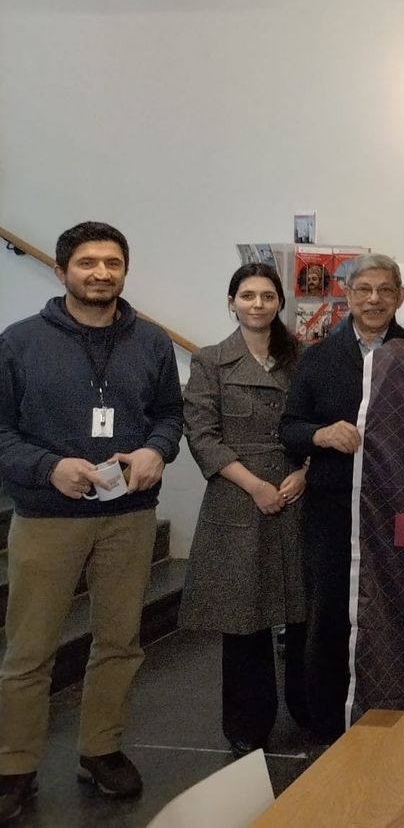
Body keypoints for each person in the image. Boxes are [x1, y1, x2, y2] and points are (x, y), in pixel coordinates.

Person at [0, 222, 183, 817]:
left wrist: (158, 449)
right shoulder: (19, 342)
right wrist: (48, 466)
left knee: (120, 641)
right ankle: (14, 765)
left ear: (125, 271)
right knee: (30, 651)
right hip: (48, 516)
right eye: (86, 262)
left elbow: (168, 416)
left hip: (128, 517)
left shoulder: (151, 343)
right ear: (61, 272)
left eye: (112, 262)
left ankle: (101, 749)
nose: (101, 272)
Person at [279, 254, 404, 740]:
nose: (374, 299)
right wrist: (321, 435)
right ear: (347, 295)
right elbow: (289, 429)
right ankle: (326, 721)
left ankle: (400, 709)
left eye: (385, 290)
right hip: (332, 509)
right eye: (364, 289)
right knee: (329, 612)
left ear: (400, 296)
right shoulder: (318, 358)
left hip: (403, 509)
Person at [180, 262, 309, 756]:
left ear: (280, 303)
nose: (258, 304)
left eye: (267, 296)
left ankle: (308, 709)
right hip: (239, 501)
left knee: (304, 615)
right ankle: (246, 724)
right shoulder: (211, 361)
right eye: (248, 295)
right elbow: (204, 437)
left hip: (297, 498)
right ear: (231, 302)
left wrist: (306, 472)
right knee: (244, 619)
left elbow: (320, 422)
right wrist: (255, 485)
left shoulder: (302, 359)